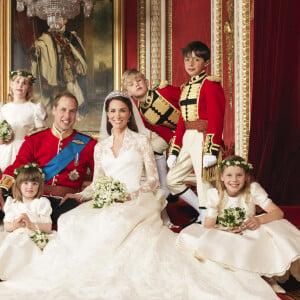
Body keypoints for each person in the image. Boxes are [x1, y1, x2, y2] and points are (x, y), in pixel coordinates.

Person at [0, 91, 278, 299]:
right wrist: (81, 196)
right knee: (75, 222)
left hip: (137, 198)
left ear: (128, 114)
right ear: (106, 115)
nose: (117, 116)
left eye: (122, 111)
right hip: (107, 199)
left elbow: (154, 179)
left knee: (118, 223)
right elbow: (97, 182)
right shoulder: (100, 146)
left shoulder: (141, 140)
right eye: (112, 112)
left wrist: (130, 195)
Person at [176, 155, 300, 294]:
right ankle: (249, 279)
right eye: (229, 175)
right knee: (204, 241)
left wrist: (259, 220)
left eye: (239, 175)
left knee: (272, 229)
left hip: (248, 231)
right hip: (225, 232)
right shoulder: (215, 194)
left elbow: (278, 212)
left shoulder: (252, 189)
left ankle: (268, 277)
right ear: (222, 177)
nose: (234, 180)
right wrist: (224, 231)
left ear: (246, 176)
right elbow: (208, 226)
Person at [0, 91, 97, 226]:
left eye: (72, 111)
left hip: (67, 204)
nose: (67, 116)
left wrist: (82, 194)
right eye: (63, 110)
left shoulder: (88, 144)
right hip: (36, 200)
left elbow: (98, 178)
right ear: (54, 110)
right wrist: (2, 188)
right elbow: (17, 166)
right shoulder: (35, 139)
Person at [167, 41, 226, 225]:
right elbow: (181, 121)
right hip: (187, 138)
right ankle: (201, 211)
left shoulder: (210, 84)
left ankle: (205, 215)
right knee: (172, 179)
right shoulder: (185, 87)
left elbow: (217, 118)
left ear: (206, 63)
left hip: (203, 137)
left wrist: (211, 149)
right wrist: (175, 150)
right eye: (187, 60)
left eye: (196, 59)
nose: (190, 64)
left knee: (203, 181)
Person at [122, 68, 181, 200]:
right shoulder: (141, 113)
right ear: (128, 93)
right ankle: (165, 188)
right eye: (131, 84)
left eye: (139, 81)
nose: (137, 84)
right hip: (174, 135)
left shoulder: (164, 91)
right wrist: (175, 144)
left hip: (191, 128)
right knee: (152, 148)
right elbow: (162, 131)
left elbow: (188, 102)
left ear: (146, 82)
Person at [0, 163, 53, 280]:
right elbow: (8, 226)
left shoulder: (41, 203)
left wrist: (30, 224)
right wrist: (15, 225)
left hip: (32, 235)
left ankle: (9, 272)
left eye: (34, 183)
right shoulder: (13, 203)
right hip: (14, 233)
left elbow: (48, 228)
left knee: (18, 243)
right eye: (26, 183)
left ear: (39, 186)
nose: (30, 187)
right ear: (18, 185)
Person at [31, 20, 88, 116]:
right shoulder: (46, 37)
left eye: (61, 18)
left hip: (67, 69)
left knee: (72, 89)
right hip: (54, 69)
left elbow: (77, 52)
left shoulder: (71, 36)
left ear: (65, 21)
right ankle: (53, 115)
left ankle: (76, 112)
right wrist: (37, 49)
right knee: (54, 93)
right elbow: (40, 49)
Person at [0, 70, 47, 173]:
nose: (20, 85)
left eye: (24, 83)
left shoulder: (34, 108)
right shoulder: (3, 108)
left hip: (24, 151)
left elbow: (41, 136)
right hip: (4, 151)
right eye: (17, 82)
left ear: (28, 88)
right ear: (11, 84)